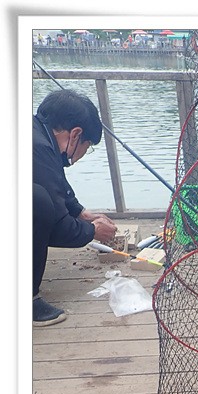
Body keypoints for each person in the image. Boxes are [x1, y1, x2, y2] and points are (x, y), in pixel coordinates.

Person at [33, 89, 117, 326]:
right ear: (76, 134)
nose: (82, 154)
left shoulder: (37, 136)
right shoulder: (37, 148)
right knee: (36, 201)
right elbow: (57, 227)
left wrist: (80, 213)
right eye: (87, 146)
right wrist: (92, 231)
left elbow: (54, 181)